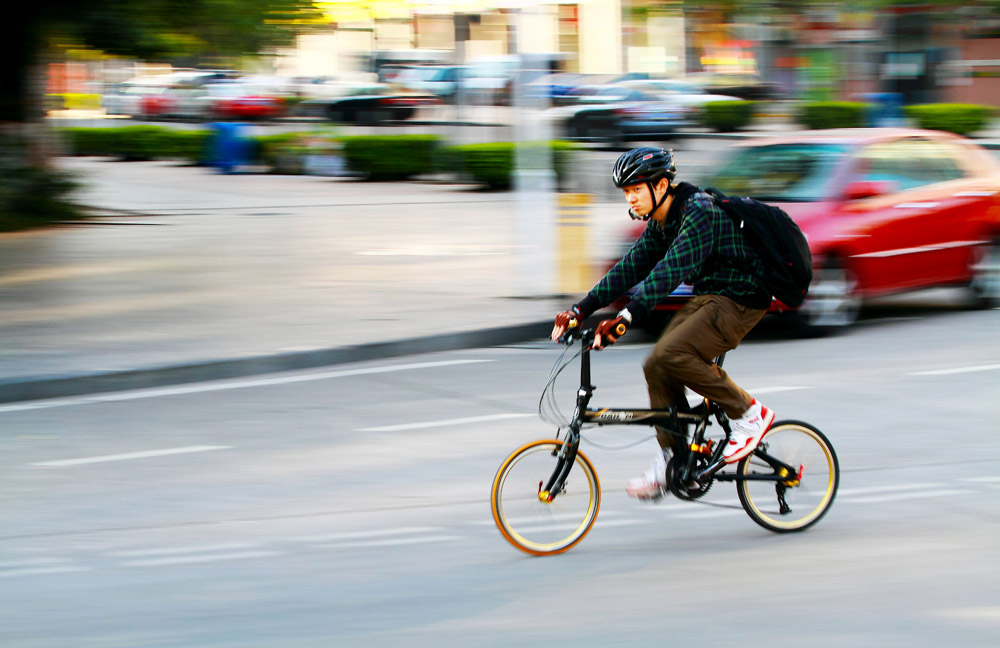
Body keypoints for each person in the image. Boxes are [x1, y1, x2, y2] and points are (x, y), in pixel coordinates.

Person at [550, 147, 775, 500]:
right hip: (710, 297)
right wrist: (581, 309)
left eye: (636, 189)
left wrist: (624, 319)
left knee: (673, 352)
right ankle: (673, 457)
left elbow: (667, 272)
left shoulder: (698, 212)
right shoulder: (661, 220)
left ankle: (750, 413)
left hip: (741, 298)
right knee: (656, 363)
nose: (631, 198)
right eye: (626, 192)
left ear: (662, 185)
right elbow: (631, 268)